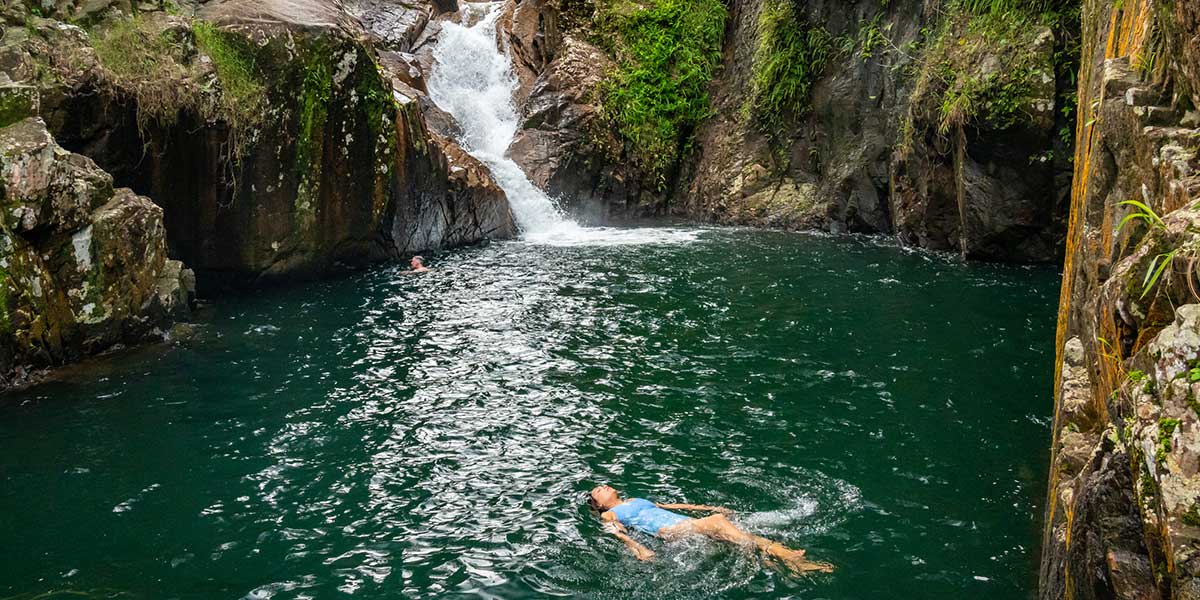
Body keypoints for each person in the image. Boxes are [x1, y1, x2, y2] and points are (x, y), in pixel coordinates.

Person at [587, 484, 833, 573]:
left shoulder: (634, 500)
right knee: (719, 523)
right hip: (671, 532)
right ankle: (778, 555)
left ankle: (787, 560)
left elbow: (673, 504)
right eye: (598, 490)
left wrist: (708, 506)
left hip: (686, 523)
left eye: (604, 485)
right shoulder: (610, 514)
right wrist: (638, 549)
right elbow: (616, 532)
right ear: (598, 505)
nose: (604, 487)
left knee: (736, 532)